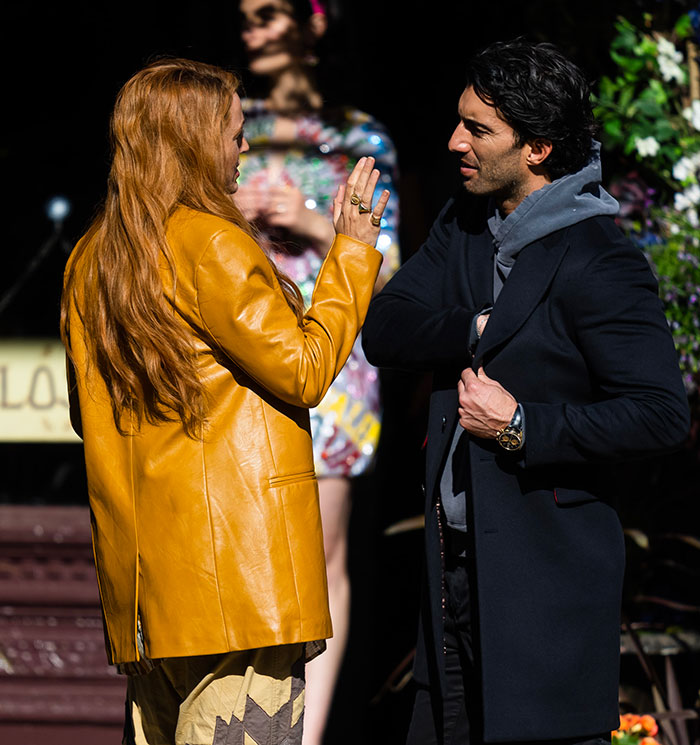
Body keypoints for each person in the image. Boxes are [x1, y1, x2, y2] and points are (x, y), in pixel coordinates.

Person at [362, 39, 690, 745]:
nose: (455, 141)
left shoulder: (602, 260)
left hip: (545, 601)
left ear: (538, 148)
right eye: (460, 120)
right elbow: (385, 329)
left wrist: (521, 426)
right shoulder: (465, 224)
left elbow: (662, 414)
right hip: (450, 581)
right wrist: (476, 325)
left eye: (478, 129)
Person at [60, 56, 390, 745]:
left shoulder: (89, 260)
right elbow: (302, 370)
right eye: (236, 134)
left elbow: (85, 415)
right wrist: (352, 254)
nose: (244, 149)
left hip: (151, 600)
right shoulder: (210, 242)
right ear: (193, 140)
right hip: (243, 589)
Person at [234, 1, 400, 742]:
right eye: (245, 17)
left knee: (320, 555)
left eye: (269, 13)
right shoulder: (225, 117)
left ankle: (304, 734)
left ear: (317, 20)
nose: (253, 31)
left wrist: (306, 220)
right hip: (236, 348)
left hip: (331, 361)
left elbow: (392, 263)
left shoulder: (357, 135)